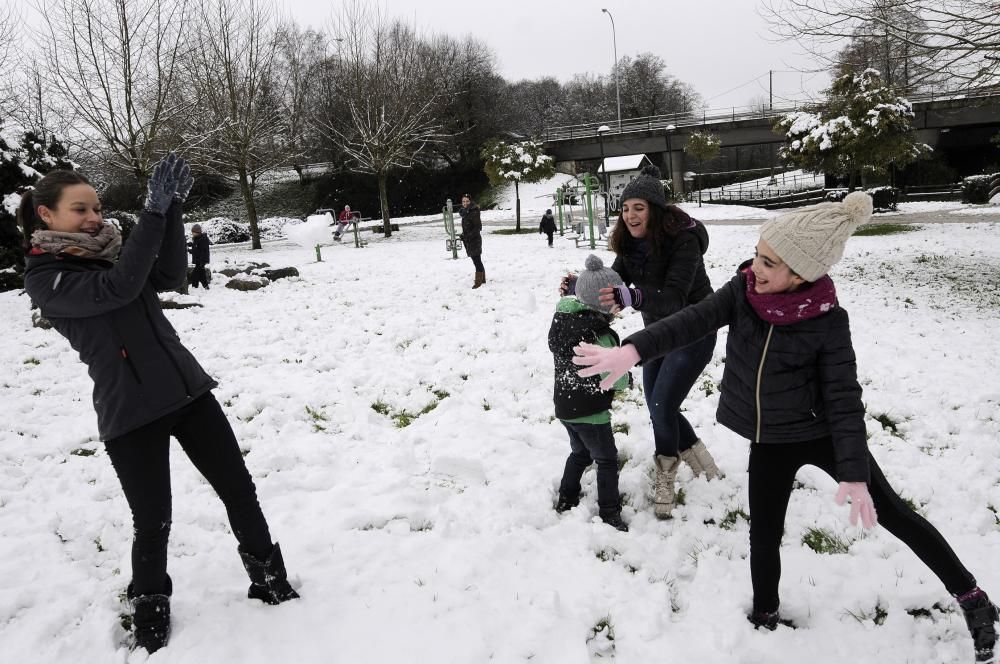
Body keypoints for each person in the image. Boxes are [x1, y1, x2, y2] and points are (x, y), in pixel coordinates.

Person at [572, 192, 999, 660]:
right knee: (764, 532)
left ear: (802, 274)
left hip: (823, 435)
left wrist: (854, 472)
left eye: (770, 263)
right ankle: (765, 614)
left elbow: (844, 400)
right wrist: (631, 350)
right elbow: (690, 321)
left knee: (893, 511)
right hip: (770, 439)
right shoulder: (743, 291)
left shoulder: (829, 323)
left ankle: (972, 597)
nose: (755, 267)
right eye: (757, 253)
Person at [20, 155, 300, 654]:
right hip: (130, 414)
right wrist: (150, 214)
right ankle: (149, 606)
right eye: (80, 209)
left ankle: (269, 578)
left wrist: (169, 212)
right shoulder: (47, 279)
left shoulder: (114, 251)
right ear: (47, 215)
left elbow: (171, 276)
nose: (94, 218)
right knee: (154, 521)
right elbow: (119, 288)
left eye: (97, 208)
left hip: (189, 392)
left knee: (239, 489)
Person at [561, 164, 722, 520]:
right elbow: (614, 282)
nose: (631, 215)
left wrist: (633, 296)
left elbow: (676, 297)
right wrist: (579, 287)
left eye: (639, 207)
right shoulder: (630, 244)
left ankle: (666, 471)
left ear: (655, 210)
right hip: (656, 336)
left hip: (694, 330)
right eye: (625, 208)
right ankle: (702, 461)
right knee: (658, 405)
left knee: (663, 404)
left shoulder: (684, 241)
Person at [549, 254, 629, 532]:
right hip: (592, 413)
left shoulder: (563, 319)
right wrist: (626, 375)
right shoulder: (600, 336)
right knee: (606, 459)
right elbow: (616, 380)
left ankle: (566, 498)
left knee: (580, 453)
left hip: (565, 406)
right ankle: (610, 512)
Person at [458, 193, 485, 288]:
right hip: (469, 240)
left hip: (474, 240)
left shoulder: (474, 211)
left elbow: (478, 227)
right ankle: (483, 279)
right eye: (463, 201)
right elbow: (468, 227)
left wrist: (468, 236)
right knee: (477, 260)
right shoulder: (465, 212)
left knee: (476, 260)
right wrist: (463, 235)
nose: (465, 203)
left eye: (467, 201)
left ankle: (478, 282)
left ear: (470, 201)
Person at [188, 223, 211, 289]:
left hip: (201, 260)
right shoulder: (198, 238)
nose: (192, 233)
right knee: (202, 275)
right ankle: (206, 287)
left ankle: (194, 288)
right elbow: (196, 246)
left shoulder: (203, 239)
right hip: (199, 260)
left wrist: (190, 250)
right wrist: (190, 244)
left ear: (197, 232)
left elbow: (200, 251)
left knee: (194, 275)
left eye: (193, 232)